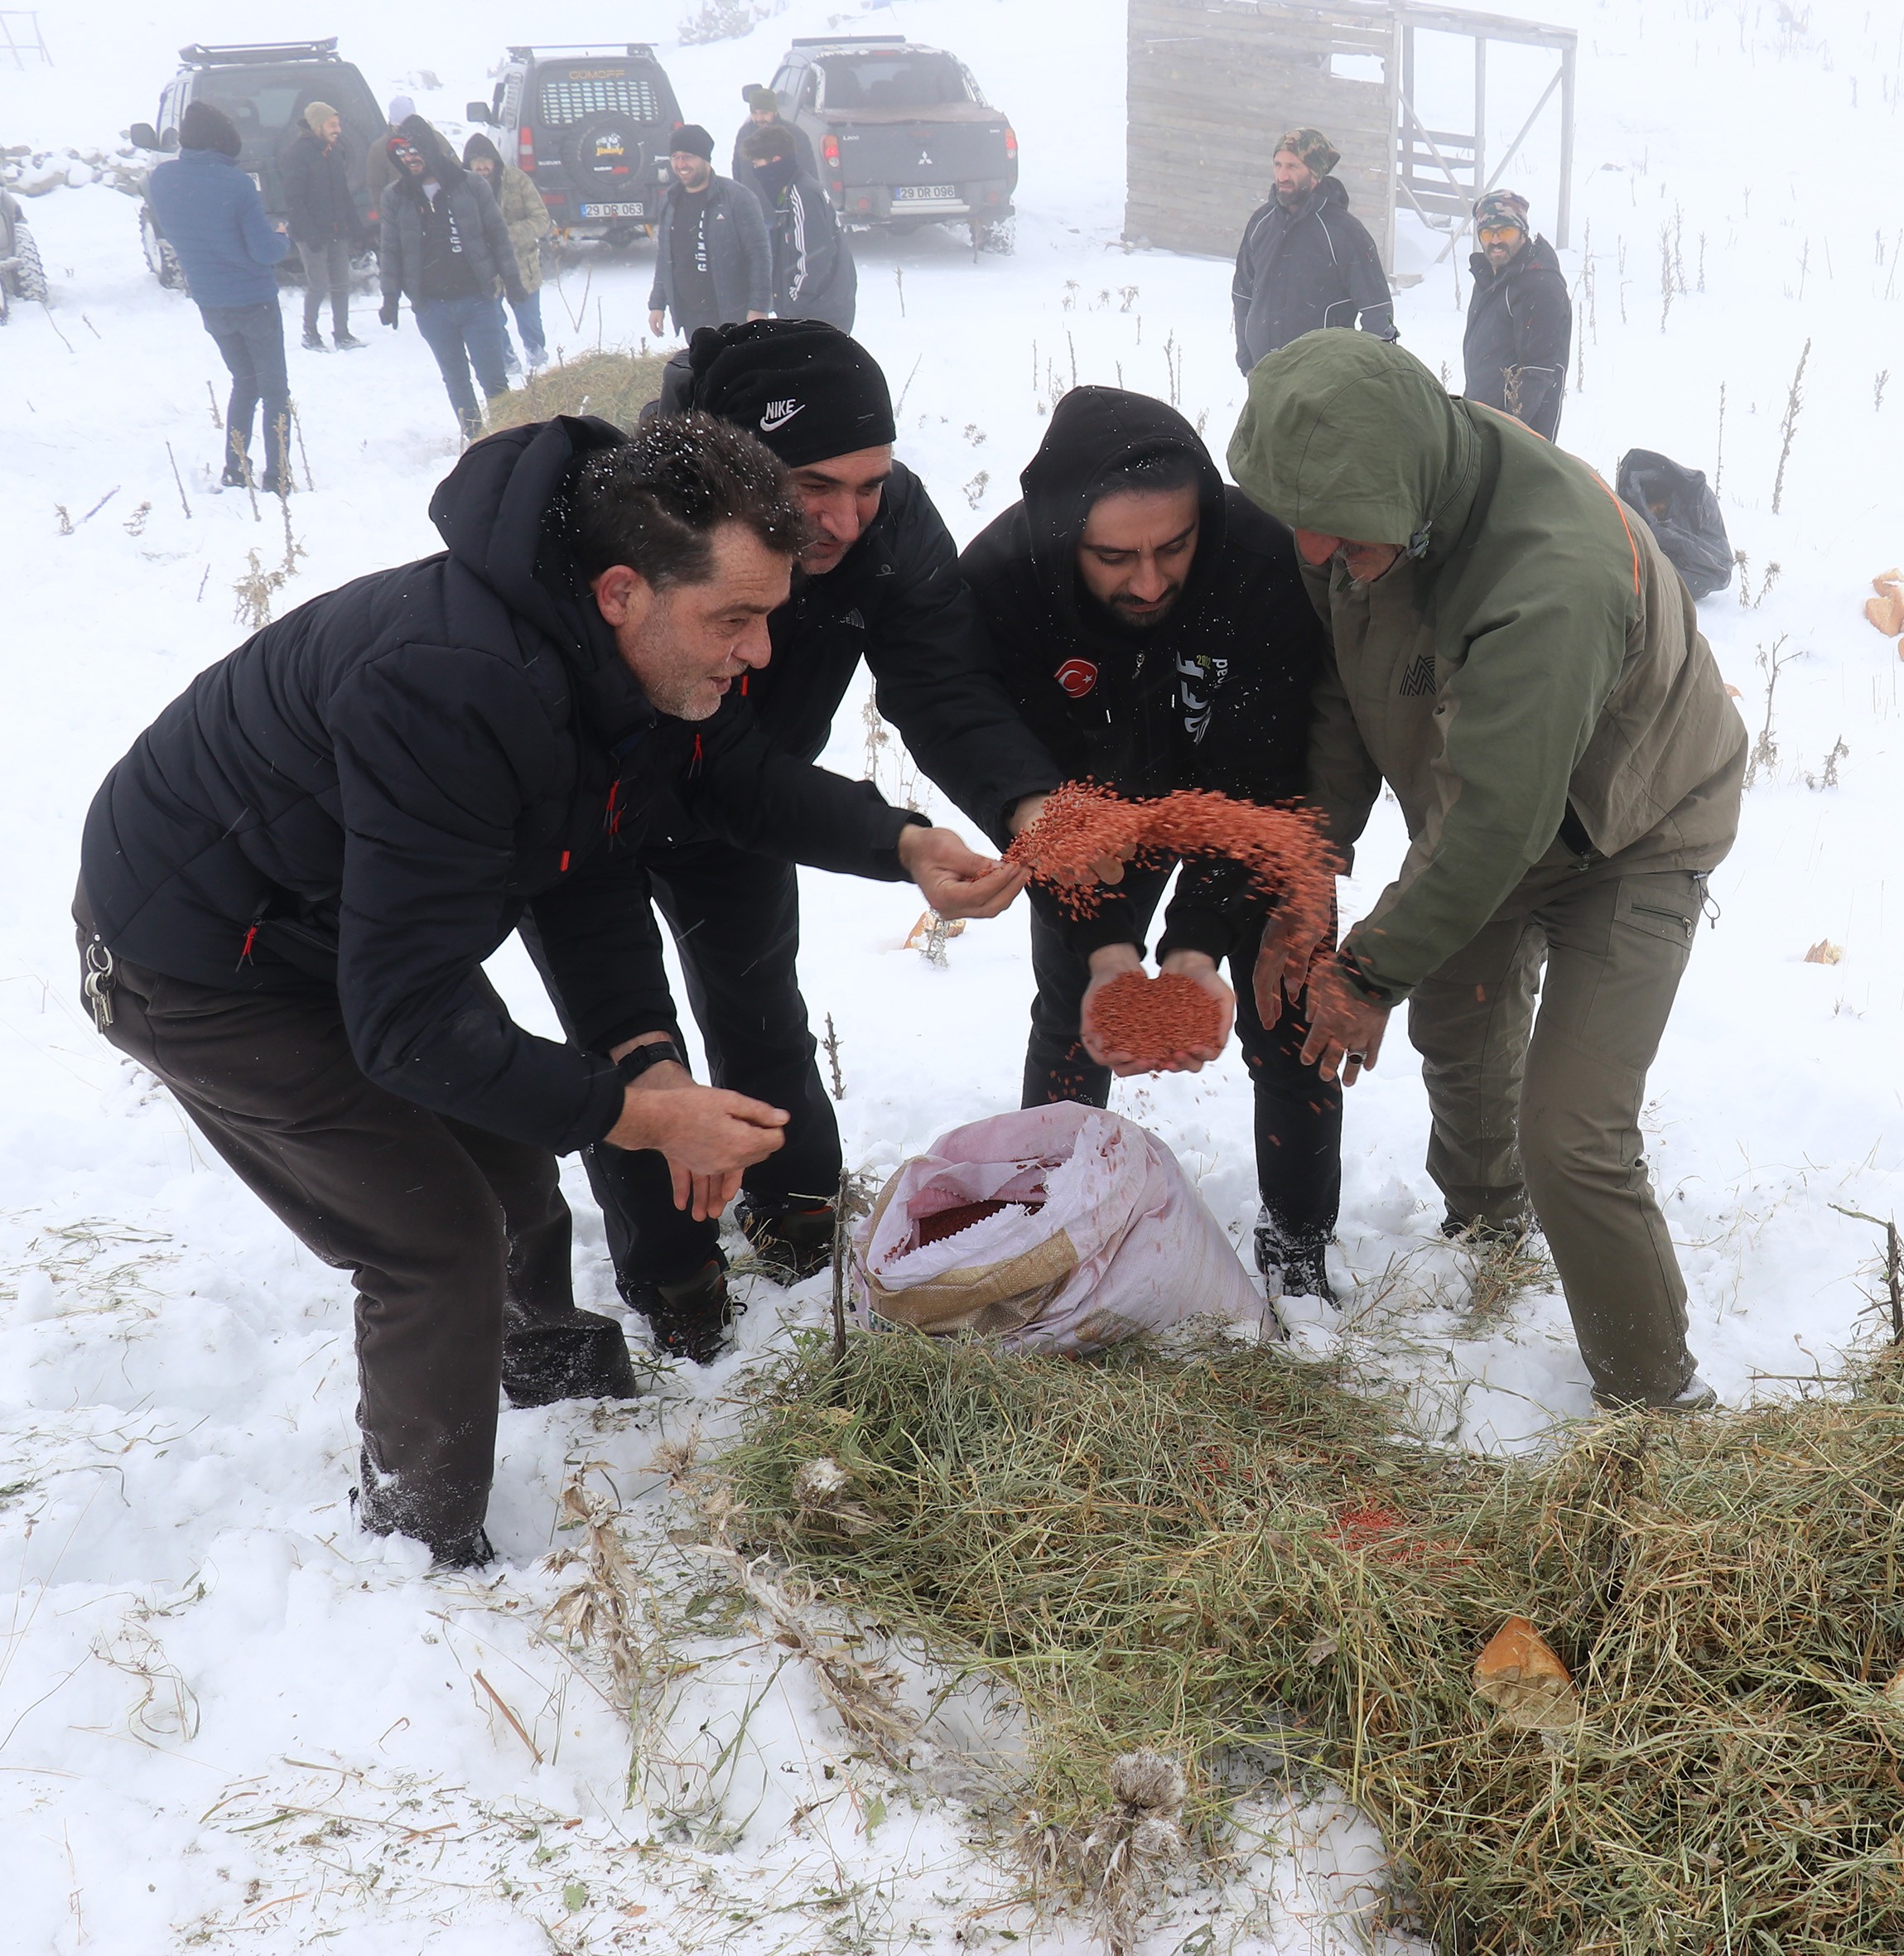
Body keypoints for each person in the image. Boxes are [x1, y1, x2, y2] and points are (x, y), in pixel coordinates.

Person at [76, 410, 1024, 1568]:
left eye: (769, 618)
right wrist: (638, 1107)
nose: (760, 654)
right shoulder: (451, 687)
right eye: (734, 619)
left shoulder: (592, 648)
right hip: (196, 961)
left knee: (516, 1154)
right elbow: (406, 1020)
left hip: (333, 923)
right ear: (622, 590)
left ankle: (544, 1367)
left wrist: (898, 843)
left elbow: (662, 809)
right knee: (432, 1235)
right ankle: (418, 1546)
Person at [1228, 330, 1748, 1410]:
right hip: (1483, 810)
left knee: (1572, 1130)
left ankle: (1655, 1402)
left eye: (1341, 539)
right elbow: (1342, 696)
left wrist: (1363, 971)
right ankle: (1484, 1229)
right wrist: (1307, 876)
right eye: (1302, 532)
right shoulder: (1362, 500)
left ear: (1404, 491)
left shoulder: (1550, 575)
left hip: (1634, 829)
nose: (1316, 553)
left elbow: (1499, 814)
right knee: (1458, 1031)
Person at [546, 321, 1059, 1349]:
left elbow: (941, 681)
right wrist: (895, 840)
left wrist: (1022, 799)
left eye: (871, 481)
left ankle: (794, 1206)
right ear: (728, 459)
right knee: (633, 1047)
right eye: (813, 484)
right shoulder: (627, 523)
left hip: (755, 800)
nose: (847, 517)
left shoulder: (887, 526)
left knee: (759, 1001)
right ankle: (675, 1274)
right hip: (586, 812)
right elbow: (711, 755)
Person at [958, 388, 1344, 1300]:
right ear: (1063, 535)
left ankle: (1298, 1248)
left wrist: (1199, 946)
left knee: (1289, 1000)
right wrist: (1106, 951)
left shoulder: (1260, 559)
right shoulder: (1002, 583)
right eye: (1115, 556)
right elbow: (1026, 789)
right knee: (1072, 1009)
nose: (1147, 581)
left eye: (1173, 547)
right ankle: (1046, 1230)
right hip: (1089, 809)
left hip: (1236, 794)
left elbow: (1263, 779)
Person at [143, 101, 293, 491]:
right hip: (254, 299)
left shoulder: (162, 180)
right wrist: (282, 237)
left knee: (244, 382)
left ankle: (235, 468)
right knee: (275, 390)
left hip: (211, 301)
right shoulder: (237, 183)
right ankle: (277, 476)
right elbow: (262, 251)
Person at [376, 118, 529, 441]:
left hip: (477, 300)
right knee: (456, 379)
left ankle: (507, 437)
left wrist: (512, 282)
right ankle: (477, 440)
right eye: (402, 152)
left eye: (414, 150)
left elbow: (498, 237)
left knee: (493, 378)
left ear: (429, 149)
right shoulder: (396, 196)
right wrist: (390, 298)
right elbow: (390, 250)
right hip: (431, 306)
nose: (409, 158)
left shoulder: (470, 185)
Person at [1229, 128, 1394, 376]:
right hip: (1264, 378)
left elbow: (1378, 313)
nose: (1282, 175)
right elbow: (1242, 295)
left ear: (1315, 174)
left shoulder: (1345, 232)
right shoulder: (1261, 223)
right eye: (1278, 164)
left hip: (1324, 385)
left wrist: (1360, 377)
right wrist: (1247, 362)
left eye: (1293, 166)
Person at [1461, 190, 1570, 442]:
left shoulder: (1540, 286)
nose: (1496, 241)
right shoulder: (1490, 278)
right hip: (1482, 424)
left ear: (1523, 232)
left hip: (1518, 440)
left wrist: (1502, 438)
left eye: (1506, 231)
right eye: (1488, 233)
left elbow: (1536, 375)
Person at [648, 126, 770, 340]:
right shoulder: (670, 200)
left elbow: (759, 255)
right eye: (675, 157)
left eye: (688, 157)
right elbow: (665, 257)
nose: (681, 164)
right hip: (691, 317)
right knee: (703, 372)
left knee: (735, 372)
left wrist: (759, 307)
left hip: (732, 315)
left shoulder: (737, 198)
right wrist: (657, 304)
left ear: (706, 159)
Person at [740, 121, 856, 333]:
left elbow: (814, 256)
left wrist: (794, 302)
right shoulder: (793, 191)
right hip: (822, 308)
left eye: (757, 164)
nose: (756, 172)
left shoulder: (802, 194)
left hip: (819, 312)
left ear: (775, 162)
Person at [278, 102, 365, 351]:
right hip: (312, 233)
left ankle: (342, 333)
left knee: (341, 284)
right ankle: (310, 334)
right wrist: (308, 234)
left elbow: (342, 193)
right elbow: (294, 198)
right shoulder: (297, 153)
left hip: (337, 230)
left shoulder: (333, 151)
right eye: (332, 125)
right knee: (318, 286)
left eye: (338, 125)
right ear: (318, 126)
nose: (338, 129)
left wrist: (355, 226)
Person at [464, 132, 552, 374]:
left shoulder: (518, 180)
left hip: (522, 266)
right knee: (491, 321)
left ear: (495, 161)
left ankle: (538, 362)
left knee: (530, 321)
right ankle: (507, 361)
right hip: (485, 271)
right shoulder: (463, 187)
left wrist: (506, 236)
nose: (481, 166)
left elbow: (541, 219)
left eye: (486, 160)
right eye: (476, 161)